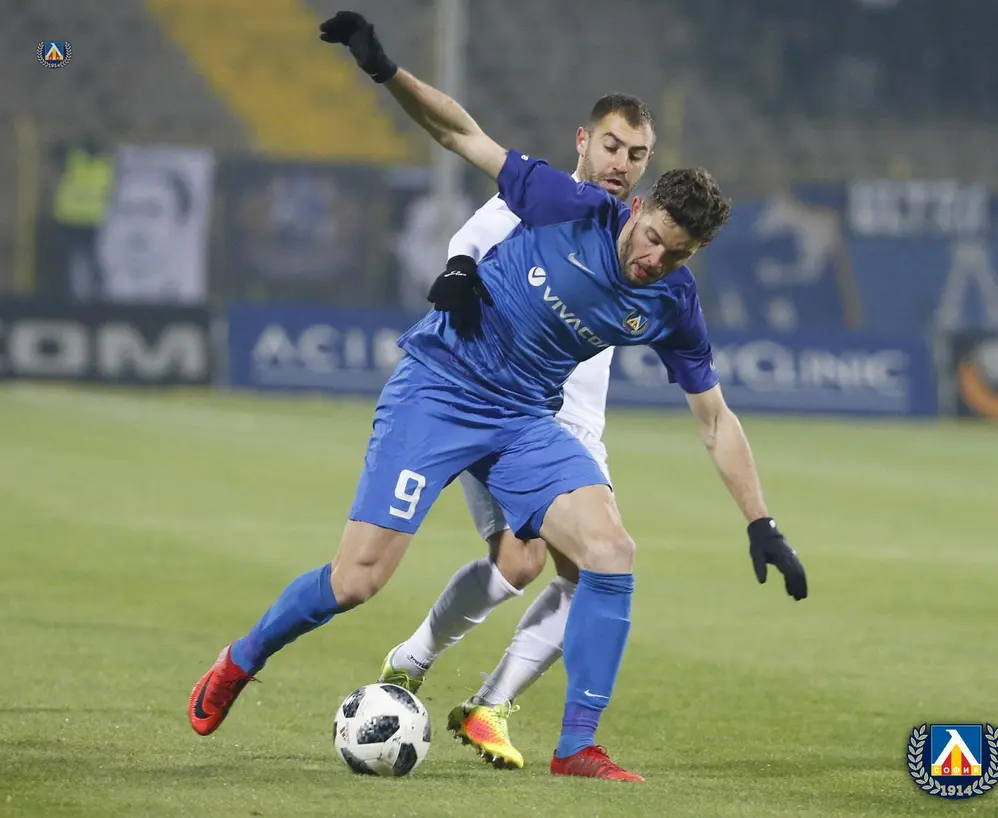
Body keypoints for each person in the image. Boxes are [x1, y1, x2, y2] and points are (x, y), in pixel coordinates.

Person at [188, 11, 808, 783]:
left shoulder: (672, 302)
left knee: (609, 551)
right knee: (358, 580)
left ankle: (574, 747)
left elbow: (714, 420)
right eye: (653, 237)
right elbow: (460, 134)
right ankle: (242, 658)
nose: (652, 260)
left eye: (674, 254)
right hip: (442, 389)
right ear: (639, 207)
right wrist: (384, 70)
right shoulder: (566, 203)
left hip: (522, 420)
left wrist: (761, 522)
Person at [376, 92, 658, 771]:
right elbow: (471, 239)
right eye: (612, 146)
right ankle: (421, 663)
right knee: (530, 561)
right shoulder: (542, 195)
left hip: (581, 425)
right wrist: (458, 270)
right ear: (584, 140)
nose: (621, 163)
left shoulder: (636, 231)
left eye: (637, 154)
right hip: (510, 404)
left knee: (585, 571)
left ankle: (481, 701)